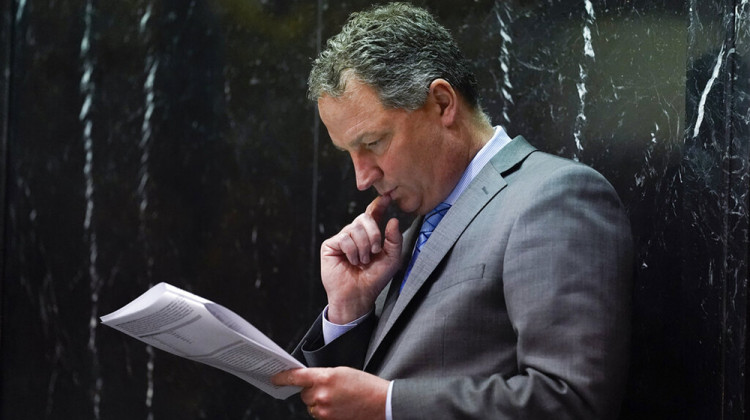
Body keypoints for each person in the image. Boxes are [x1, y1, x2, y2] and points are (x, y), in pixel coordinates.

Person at [272, 3, 633, 419]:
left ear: (443, 103)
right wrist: (349, 310)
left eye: (372, 143)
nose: (361, 177)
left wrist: (389, 405)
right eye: (349, 153)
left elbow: (572, 400)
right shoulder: (408, 235)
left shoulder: (554, 198)